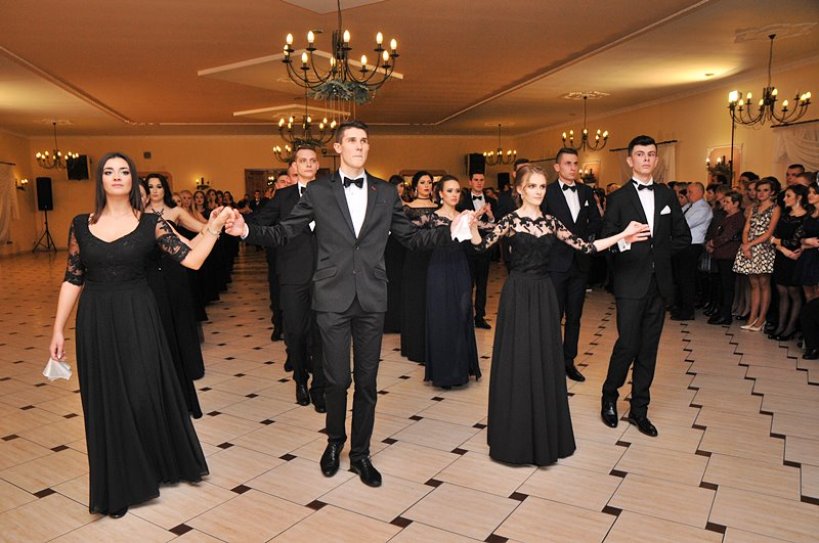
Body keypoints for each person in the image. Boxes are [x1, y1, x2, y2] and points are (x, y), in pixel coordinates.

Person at [224, 120, 469, 487]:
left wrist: (451, 231)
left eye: (364, 140)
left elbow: (411, 239)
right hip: (331, 297)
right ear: (337, 148)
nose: (359, 146)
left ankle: (360, 454)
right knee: (337, 379)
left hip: (372, 297)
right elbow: (285, 231)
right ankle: (334, 441)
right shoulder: (318, 191)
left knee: (367, 382)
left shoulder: (385, 192)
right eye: (352, 140)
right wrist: (246, 230)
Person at [49, 152, 232, 518]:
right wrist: (57, 329)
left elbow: (193, 259)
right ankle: (121, 484)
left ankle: (159, 461)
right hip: (96, 319)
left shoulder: (151, 223)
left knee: (142, 391)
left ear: (133, 180)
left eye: (123, 171)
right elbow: (73, 277)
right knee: (107, 400)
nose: (116, 176)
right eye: (109, 171)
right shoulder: (81, 224)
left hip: (140, 315)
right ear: (100, 180)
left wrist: (212, 228)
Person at [468, 165, 649, 465]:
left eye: (542, 186)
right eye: (533, 186)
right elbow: (480, 247)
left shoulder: (552, 222)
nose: (539, 191)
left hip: (543, 294)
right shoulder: (510, 220)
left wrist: (622, 235)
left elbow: (587, 247)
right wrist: (473, 226)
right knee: (518, 358)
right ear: (520, 189)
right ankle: (514, 436)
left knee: (543, 358)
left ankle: (544, 432)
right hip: (517, 294)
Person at [600, 135, 691, 438]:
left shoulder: (666, 195)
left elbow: (683, 236)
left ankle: (639, 410)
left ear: (656, 159)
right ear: (630, 160)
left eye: (651, 154)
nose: (646, 159)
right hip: (629, 282)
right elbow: (606, 242)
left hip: (659, 284)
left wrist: (658, 253)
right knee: (627, 344)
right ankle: (609, 396)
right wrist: (626, 242)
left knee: (649, 349)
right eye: (640, 154)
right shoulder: (618, 198)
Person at [249, 146, 326, 410]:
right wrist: (236, 223)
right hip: (293, 275)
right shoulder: (283, 197)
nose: (308, 164)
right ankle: (300, 379)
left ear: (318, 165)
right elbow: (260, 222)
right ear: (295, 166)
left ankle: (320, 388)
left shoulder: (331, 194)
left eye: (312, 160)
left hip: (326, 275)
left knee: (322, 333)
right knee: (295, 331)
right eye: (303, 160)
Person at [142, 173, 210, 418]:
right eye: (150, 187)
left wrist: (214, 226)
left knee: (180, 317)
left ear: (165, 188)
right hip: (150, 273)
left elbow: (202, 229)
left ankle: (188, 365)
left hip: (175, 268)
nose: (155, 190)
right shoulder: (139, 215)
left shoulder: (176, 211)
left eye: (159, 186)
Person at [543, 147, 601, 382]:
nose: (573, 167)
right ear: (557, 167)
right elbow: (541, 226)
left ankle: (569, 361)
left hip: (580, 263)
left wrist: (581, 239)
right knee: (553, 316)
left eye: (576, 163)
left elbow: (596, 221)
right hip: (555, 263)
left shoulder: (586, 191)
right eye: (568, 163)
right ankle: (551, 362)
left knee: (575, 316)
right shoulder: (547, 192)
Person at [424, 176, 482, 388]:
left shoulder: (465, 216)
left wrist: (474, 227)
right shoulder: (431, 217)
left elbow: (477, 245)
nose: (454, 194)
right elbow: (420, 243)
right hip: (438, 270)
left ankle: (460, 370)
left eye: (457, 190)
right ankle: (443, 374)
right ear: (440, 193)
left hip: (460, 269)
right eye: (449, 190)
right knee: (441, 318)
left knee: (462, 315)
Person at [732, 177, 780, 332]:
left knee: (764, 283)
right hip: (749, 248)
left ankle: (762, 318)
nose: (761, 193)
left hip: (764, 248)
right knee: (753, 284)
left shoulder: (775, 208)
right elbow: (746, 229)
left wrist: (750, 244)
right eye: (759, 190)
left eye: (765, 190)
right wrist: (746, 245)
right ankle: (752, 316)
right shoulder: (753, 208)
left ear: (772, 192)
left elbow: (769, 232)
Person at [400, 170, 437, 363]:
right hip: (415, 259)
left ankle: (434, 345)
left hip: (436, 259)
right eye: (423, 182)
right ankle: (415, 347)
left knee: (434, 301)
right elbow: (404, 236)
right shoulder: (407, 208)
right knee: (416, 301)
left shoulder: (440, 208)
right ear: (415, 186)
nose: (427, 186)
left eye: (429, 182)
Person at [769, 184, 809, 340]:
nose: (784, 199)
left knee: (794, 293)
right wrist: (782, 249)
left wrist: (780, 243)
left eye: (788, 196)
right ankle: (781, 325)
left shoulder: (805, 218)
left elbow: (794, 242)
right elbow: (773, 237)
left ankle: (790, 327)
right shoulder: (785, 215)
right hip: (782, 256)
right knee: (782, 292)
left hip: (795, 258)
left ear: (799, 198)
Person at [457, 171, 497, 329]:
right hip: (468, 249)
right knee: (467, 284)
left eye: (481, 180)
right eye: (476, 180)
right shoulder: (462, 202)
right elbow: (462, 224)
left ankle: (480, 316)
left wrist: (491, 216)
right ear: (470, 182)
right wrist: (478, 214)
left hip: (485, 249)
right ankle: (465, 317)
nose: (479, 182)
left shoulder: (492, 201)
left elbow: (496, 225)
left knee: (482, 284)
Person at [671, 182, 712, 321]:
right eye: (687, 192)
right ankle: (679, 306)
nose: (687, 195)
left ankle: (687, 310)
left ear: (700, 192)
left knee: (686, 279)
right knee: (679, 278)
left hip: (692, 246)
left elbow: (684, 225)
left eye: (690, 192)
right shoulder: (689, 206)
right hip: (681, 245)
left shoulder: (703, 208)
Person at [706, 190, 745, 325]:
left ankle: (726, 314)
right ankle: (720, 310)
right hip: (720, 254)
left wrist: (713, 243)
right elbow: (717, 231)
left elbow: (727, 236)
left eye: (727, 202)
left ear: (736, 203)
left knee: (727, 285)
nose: (724, 204)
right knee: (721, 285)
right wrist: (710, 242)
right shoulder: (726, 216)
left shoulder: (738, 218)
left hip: (729, 255)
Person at [384, 175, 407, 332]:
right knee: (389, 282)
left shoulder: (407, 205)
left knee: (400, 282)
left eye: (401, 186)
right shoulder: (384, 202)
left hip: (402, 245)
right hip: (387, 246)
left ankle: (399, 320)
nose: (399, 189)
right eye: (396, 185)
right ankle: (388, 321)